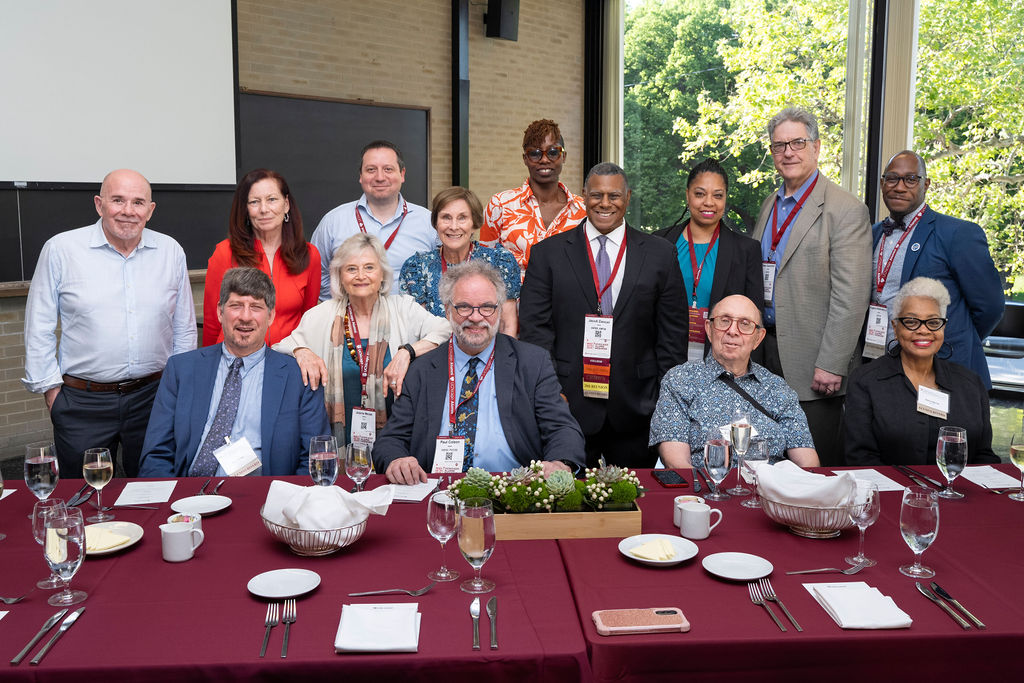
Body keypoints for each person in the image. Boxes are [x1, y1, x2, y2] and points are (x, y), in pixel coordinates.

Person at [23, 169, 196, 478]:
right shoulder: (61, 250)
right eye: (118, 200)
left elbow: (183, 328)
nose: (128, 211)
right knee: (82, 495)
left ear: (150, 210)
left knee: (152, 491)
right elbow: (39, 327)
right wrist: (52, 393)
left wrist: (177, 389)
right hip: (81, 402)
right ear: (99, 204)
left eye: (138, 202)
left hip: (153, 399)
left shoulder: (170, 252)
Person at [519, 162, 688, 469]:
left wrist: (662, 397)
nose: (605, 203)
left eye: (615, 195)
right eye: (597, 194)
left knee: (637, 506)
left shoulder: (660, 253)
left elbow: (672, 334)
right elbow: (535, 330)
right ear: (584, 195)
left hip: (638, 406)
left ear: (628, 196)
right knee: (568, 504)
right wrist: (551, 391)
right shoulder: (548, 254)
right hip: (568, 405)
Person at [374, 261, 585, 484]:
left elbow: (562, 427)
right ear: (447, 311)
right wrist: (396, 459)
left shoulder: (532, 363)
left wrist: (560, 462)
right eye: (464, 307)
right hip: (438, 489)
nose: (476, 317)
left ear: (500, 310)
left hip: (513, 487)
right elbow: (391, 439)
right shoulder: (421, 370)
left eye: (487, 307)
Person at [752, 107, 871, 466]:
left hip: (813, 364)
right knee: (767, 460)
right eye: (779, 146)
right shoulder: (770, 204)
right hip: (764, 351)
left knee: (813, 468)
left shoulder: (846, 209)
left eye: (797, 143)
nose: (788, 152)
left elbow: (850, 296)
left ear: (817, 147)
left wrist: (832, 363)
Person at [139, 269, 327, 477]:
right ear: (220, 312)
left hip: (263, 498)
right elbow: (155, 456)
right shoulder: (181, 370)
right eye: (236, 306)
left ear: (271, 315)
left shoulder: (298, 378)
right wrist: (177, 502)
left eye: (256, 307)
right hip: (188, 496)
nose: (245, 317)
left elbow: (314, 458)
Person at [274, 233, 450, 443]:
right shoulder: (320, 315)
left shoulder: (403, 309)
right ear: (340, 276)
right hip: (335, 440)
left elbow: (446, 329)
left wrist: (407, 352)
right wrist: (301, 352)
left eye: (369, 267)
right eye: (351, 269)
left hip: (395, 442)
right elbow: (279, 348)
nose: (360, 275)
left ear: (382, 273)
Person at [866, 150, 1003, 387]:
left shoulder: (958, 234)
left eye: (910, 179)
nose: (899, 187)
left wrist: (952, 340)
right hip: (883, 366)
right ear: (882, 183)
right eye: (892, 178)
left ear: (926, 184)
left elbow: (989, 307)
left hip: (945, 369)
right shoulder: (872, 234)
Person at [650, 295, 819, 469]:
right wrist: (710, 490)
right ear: (709, 329)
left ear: (758, 338)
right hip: (708, 488)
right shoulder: (680, 380)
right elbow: (676, 461)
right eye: (724, 321)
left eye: (745, 324)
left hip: (769, 491)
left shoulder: (777, 388)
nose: (732, 331)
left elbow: (807, 461)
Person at [844, 277, 998, 466]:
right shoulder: (865, 382)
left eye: (933, 322)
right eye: (911, 321)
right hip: (894, 492)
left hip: (958, 492)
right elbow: (859, 458)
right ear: (895, 326)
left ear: (943, 327)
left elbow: (985, 456)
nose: (923, 330)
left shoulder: (971, 383)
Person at [653, 158, 763, 362]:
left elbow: (754, 321)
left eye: (718, 195)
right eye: (700, 194)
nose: (709, 202)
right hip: (664, 360)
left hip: (724, 365)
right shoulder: (659, 243)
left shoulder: (746, 250)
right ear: (687, 195)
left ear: (725, 198)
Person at [203, 168, 320, 347]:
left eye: (272, 199)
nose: (264, 209)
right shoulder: (225, 253)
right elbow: (213, 321)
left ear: (286, 204)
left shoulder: (309, 255)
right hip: (237, 359)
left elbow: (309, 321)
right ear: (246, 209)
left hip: (288, 360)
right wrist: (208, 366)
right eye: (254, 202)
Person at [310, 140, 436, 299]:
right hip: (351, 321)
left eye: (388, 169)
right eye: (371, 170)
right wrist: (344, 303)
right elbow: (316, 273)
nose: (380, 177)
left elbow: (444, 271)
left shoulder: (429, 222)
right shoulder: (334, 221)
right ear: (361, 176)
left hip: (411, 322)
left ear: (402, 174)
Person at [398, 186, 521, 334]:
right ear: (435, 224)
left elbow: (507, 325)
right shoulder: (417, 268)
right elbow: (416, 330)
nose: (454, 226)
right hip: (434, 353)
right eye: (446, 218)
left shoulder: (500, 263)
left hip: (489, 354)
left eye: (462, 218)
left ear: (474, 224)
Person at [479, 118, 587, 278]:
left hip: (568, 301)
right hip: (513, 301)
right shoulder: (500, 205)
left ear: (563, 156)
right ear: (525, 159)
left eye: (553, 152)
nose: (544, 159)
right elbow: (484, 263)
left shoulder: (583, 209)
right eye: (535, 153)